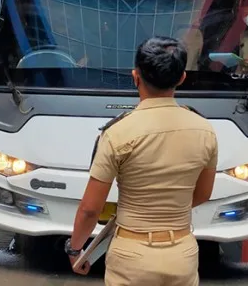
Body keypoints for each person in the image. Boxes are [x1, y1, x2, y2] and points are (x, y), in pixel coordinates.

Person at [66, 36, 218, 285]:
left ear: (135, 77)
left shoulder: (117, 133)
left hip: (131, 254)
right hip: (182, 253)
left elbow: (91, 208)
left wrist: (75, 249)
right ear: (181, 78)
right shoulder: (205, 130)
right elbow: (203, 194)